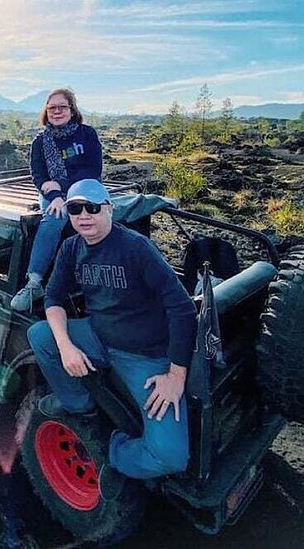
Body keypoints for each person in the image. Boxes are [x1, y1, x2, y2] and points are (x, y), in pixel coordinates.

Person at [26, 179, 197, 479]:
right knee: (41, 335)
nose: (84, 216)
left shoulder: (136, 248)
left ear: (110, 209)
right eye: (75, 208)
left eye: (92, 207)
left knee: (169, 456)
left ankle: (112, 452)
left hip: (143, 355)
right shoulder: (71, 248)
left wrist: (175, 376)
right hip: (97, 334)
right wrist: (66, 346)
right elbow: (53, 297)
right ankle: (78, 405)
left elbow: (183, 309)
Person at [10, 88, 103, 311]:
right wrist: (55, 195)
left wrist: (61, 186)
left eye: (62, 107)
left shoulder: (87, 134)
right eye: (52, 108)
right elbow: (39, 176)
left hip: (86, 188)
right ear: (46, 112)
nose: (57, 111)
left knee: (100, 218)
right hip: (52, 195)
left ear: (72, 109)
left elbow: (94, 169)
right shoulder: (40, 142)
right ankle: (34, 283)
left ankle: (112, 269)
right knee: (54, 218)